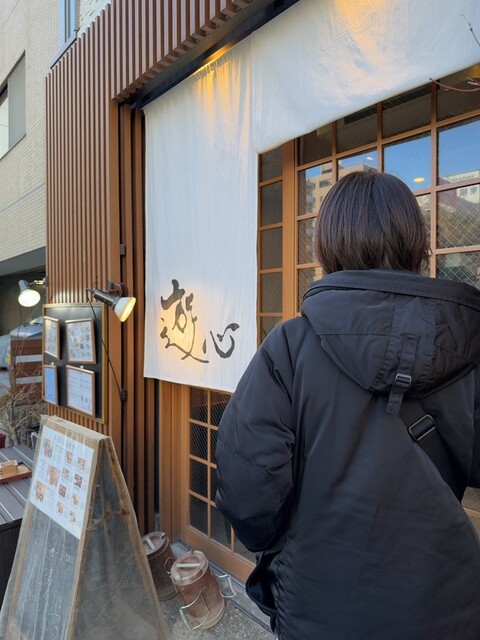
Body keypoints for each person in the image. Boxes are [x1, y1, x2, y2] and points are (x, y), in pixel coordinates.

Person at [215, 170, 480, 640]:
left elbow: (246, 487)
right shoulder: (465, 346)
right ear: (416, 241)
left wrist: (282, 546)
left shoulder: (290, 348)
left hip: (319, 604)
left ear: (327, 244)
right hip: (447, 605)